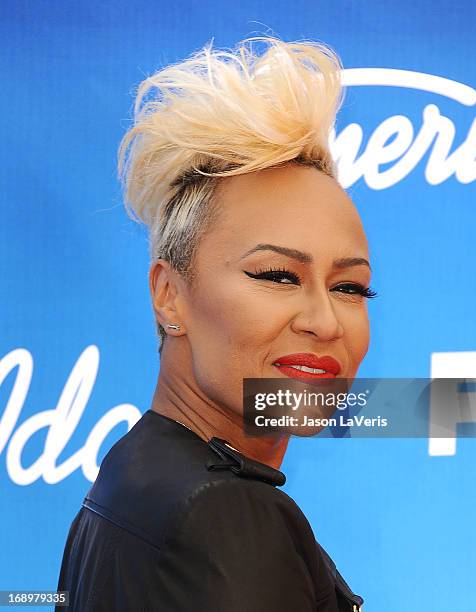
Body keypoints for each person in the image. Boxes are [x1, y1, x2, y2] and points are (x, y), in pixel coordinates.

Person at [56, 35, 375, 611]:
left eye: (350, 287)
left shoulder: (132, 473)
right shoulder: (229, 515)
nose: (325, 322)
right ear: (170, 296)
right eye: (277, 275)